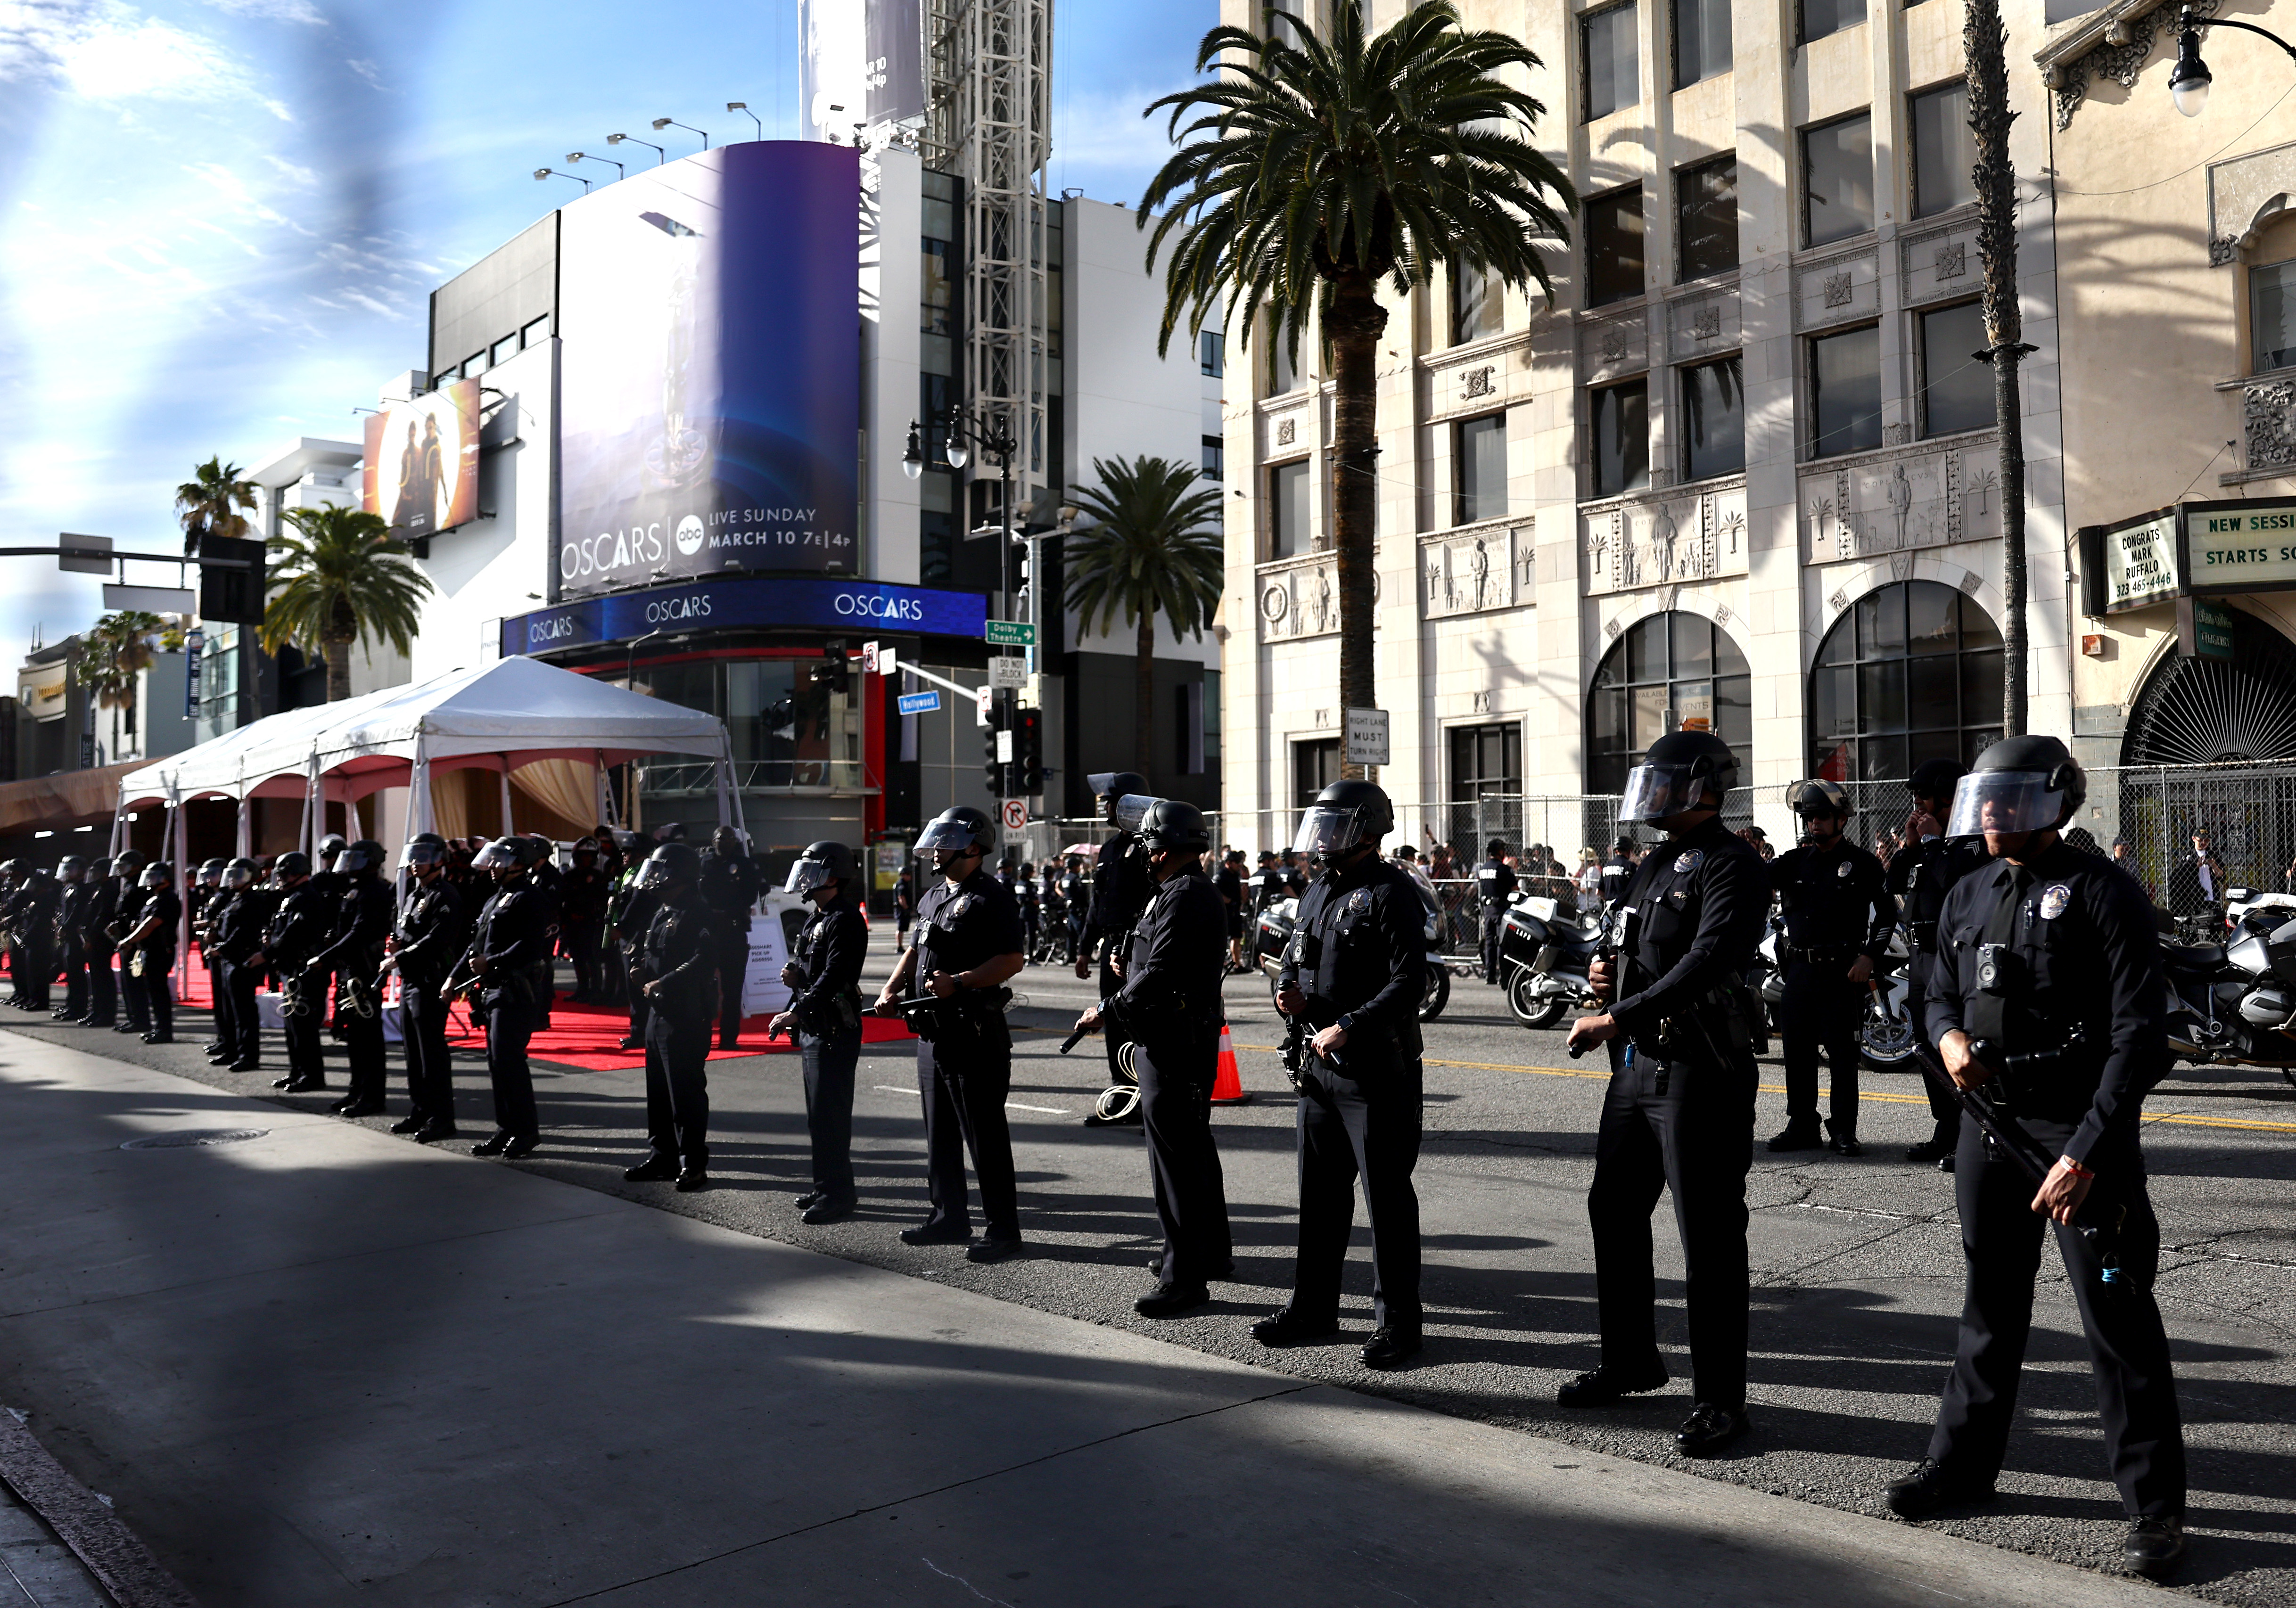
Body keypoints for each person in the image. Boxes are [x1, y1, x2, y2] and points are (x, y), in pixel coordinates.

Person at [1888, 735, 2189, 1583]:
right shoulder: (1965, 890)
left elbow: (2139, 1038)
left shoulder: (2104, 892)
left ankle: (2155, 1508)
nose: (1991, 811)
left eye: (2010, 797)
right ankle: (1961, 1465)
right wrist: (1944, 1035)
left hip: (2077, 1133)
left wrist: (2088, 1152)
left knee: (2117, 1318)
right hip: (1991, 1127)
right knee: (1989, 1305)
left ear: (2056, 800)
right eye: (1985, 797)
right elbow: (1934, 985)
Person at [1564, 729, 1767, 1457]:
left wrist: (1615, 1013)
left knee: (1708, 1235)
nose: (1649, 795)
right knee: (1612, 1208)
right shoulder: (1651, 862)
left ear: (1704, 786)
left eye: (1664, 781)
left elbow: (1710, 959)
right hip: (1637, 1066)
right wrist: (1605, 978)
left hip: (1700, 1070)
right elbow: (1632, 949)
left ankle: (1720, 1402)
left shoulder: (1731, 864)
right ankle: (1629, 1360)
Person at [1259, 779, 1429, 1370]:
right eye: (1320, 825)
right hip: (1318, 1068)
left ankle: (1399, 1327)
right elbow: (1295, 958)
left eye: (1336, 825)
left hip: (1374, 1071)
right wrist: (1287, 994)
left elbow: (1412, 982)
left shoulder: (1390, 891)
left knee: (1386, 1203)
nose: (1323, 837)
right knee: (1319, 1198)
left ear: (1366, 829)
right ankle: (1312, 1309)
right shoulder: (1316, 890)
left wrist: (1351, 1023)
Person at [1073, 799, 1234, 1317]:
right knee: (1192, 1153)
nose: (1141, 852)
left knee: (1175, 1164)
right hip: (1173, 1037)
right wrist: (1127, 967)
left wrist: (1106, 1007)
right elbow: (1157, 961)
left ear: (1161, 848)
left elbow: (1163, 971)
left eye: (1145, 844)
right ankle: (1207, 1254)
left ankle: (1182, 1278)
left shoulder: (1184, 895)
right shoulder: (1173, 892)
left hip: (1174, 1044)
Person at [873, 805, 1027, 1262]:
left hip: (972, 1034)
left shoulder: (991, 897)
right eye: (936, 843)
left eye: (945, 843)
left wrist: (959, 981)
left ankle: (1003, 1231)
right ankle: (948, 1217)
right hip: (932, 1035)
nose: (936, 851)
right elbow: (917, 947)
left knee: (984, 1137)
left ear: (974, 847)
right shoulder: (932, 896)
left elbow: (1011, 960)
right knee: (939, 1134)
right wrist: (890, 986)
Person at [1766, 779, 1897, 1158]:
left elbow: (1888, 912)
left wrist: (1870, 956)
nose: (1814, 823)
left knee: (1842, 1056)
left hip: (1842, 972)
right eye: (1808, 817)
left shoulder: (1862, 863)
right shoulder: (1792, 863)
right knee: (1797, 1052)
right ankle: (1801, 1124)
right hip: (1800, 971)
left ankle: (1843, 1130)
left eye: (1822, 816)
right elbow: (1751, 883)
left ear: (1841, 818)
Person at [1888, 758, 1992, 1170]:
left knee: (1958, 1045)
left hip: (1954, 958)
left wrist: (1933, 843)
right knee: (1927, 1048)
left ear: (1948, 797)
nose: (1917, 805)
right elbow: (1892, 883)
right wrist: (1911, 846)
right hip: (1920, 956)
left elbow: (1957, 884)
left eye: (1923, 797)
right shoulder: (1926, 841)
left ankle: (1974, 1133)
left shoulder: (1971, 841)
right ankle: (1945, 1130)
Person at [769, 841, 869, 1222]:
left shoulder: (844, 918)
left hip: (833, 1028)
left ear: (832, 875)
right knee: (818, 1115)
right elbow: (811, 972)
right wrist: (795, 981)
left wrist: (796, 1011)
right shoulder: (817, 916)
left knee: (831, 1115)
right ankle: (824, 1184)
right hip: (815, 1025)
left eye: (813, 870)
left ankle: (838, 1195)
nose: (805, 878)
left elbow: (836, 976)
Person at [622, 841, 720, 1191]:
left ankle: (693, 1165)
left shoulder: (698, 911)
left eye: (662, 872)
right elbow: (655, 952)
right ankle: (662, 1155)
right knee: (659, 1093)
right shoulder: (662, 911)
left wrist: (663, 982)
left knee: (686, 1095)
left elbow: (705, 959)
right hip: (658, 1014)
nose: (656, 880)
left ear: (679, 875)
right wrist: (641, 970)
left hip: (685, 1015)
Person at [456, 837, 551, 1158]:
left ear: (518, 863)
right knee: (497, 1063)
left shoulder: (530, 897)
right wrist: (454, 978)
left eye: (500, 861)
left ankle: (526, 1132)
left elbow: (531, 945)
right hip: (493, 990)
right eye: (492, 860)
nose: (493, 867)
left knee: (509, 1061)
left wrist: (492, 963)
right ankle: (506, 1128)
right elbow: (477, 945)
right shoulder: (496, 898)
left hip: (515, 990)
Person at [1076, 772, 1155, 1127]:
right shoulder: (1109, 849)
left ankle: (1149, 1101)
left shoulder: (1150, 844)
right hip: (1111, 945)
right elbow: (1099, 902)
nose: (1104, 807)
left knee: (1142, 1024)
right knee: (1114, 1024)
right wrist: (1084, 947)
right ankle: (1121, 1099)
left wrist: (1133, 945)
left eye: (1110, 800)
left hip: (1139, 946)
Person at [383, 835, 469, 1141]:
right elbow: (407, 931)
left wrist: (402, 955)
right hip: (411, 980)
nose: (415, 863)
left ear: (438, 861)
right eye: (413, 857)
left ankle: (442, 1119)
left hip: (430, 982)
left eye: (422, 857)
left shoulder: (446, 895)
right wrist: (397, 945)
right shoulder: (412, 894)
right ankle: (421, 1110)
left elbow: (438, 939)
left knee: (431, 1053)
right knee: (413, 1053)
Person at [306, 841, 393, 1118]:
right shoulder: (355, 890)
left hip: (365, 971)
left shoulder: (376, 891)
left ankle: (372, 1096)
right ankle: (358, 1090)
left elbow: (360, 932)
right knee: (355, 1036)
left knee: (368, 1038)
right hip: (350, 969)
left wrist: (326, 956)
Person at [260, 853, 332, 1092]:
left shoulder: (308, 897)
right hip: (291, 969)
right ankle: (297, 1071)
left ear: (299, 873)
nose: (281, 879)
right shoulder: (290, 898)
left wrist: (269, 952)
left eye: (285, 874)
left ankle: (312, 1076)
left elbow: (295, 932)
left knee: (305, 1026)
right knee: (293, 1026)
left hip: (306, 971)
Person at [697, 826, 759, 1050]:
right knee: (703, 986)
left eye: (731, 839)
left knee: (733, 990)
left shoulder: (744, 865)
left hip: (733, 930)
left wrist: (730, 912)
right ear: (713, 841)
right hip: (708, 932)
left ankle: (729, 1038)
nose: (726, 842)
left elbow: (751, 894)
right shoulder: (704, 863)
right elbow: (697, 894)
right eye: (722, 838)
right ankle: (702, 1035)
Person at [205, 858, 270, 1072]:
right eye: (231, 875)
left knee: (244, 1013)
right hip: (229, 960)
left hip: (242, 961)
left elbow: (244, 931)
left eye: (238, 875)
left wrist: (222, 947)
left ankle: (248, 1056)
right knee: (230, 1010)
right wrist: (215, 936)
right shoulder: (236, 898)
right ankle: (232, 1050)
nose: (232, 879)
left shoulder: (254, 900)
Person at [118, 861, 181, 1044]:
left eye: (154, 877)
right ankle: (159, 1028)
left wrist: (130, 939)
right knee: (153, 992)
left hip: (160, 950)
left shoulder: (168, 899)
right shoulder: (154, 898)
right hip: (150, 949)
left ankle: (165, 1031)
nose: (150, 881)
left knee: (159, 993)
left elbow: (151, 924)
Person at [559, 837, 609, 1005]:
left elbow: (602, 900)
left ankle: (595, 991)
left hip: (591, 924)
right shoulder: (569, 876)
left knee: (592, 958)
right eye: (583, 855)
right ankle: (582, 989)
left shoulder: (598, 877)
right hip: (573, 924)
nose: (587, 859)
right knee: (577, 958)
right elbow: (564, 900)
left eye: (590, 855)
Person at [81, 853, 126, 1031]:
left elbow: (103, 916)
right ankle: (97, 1010)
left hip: (102, 939)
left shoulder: (110, 889)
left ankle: (106, 1014)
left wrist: (91, 936)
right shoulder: (99, 888)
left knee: (103, 977)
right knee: (96, 977)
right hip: (94, 937)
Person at [52, 856, 94, 1024]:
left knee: (77, 973)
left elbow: (78, 912)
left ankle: (79, 1008)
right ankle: (71, 1005)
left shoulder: (83, 889)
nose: (68, 872)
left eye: (72, 869)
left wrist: (66, 926)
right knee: (70, 972)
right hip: (66, 935)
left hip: (76, 936)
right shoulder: (68, 888)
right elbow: (63, 909)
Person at [1472, 839, 1518, 986]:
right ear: (1499, 851)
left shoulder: (1484, 869)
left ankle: (1490, 974)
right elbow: (1515, 889)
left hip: (1487, 910)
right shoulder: (1504, 869)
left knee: (1490, 943)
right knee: (1502, 942)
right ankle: (1505, 977)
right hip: (1501, 909)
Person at [2164, 829, 2225, 921]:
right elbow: (2181, 876)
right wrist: (2196, 866)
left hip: (2212, 897)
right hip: (2195, 898)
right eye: (2200, 840)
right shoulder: (2187, 855)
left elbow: (2222, 876)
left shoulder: (2213, 854)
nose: (2204, 843)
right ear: (2194, 839)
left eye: (2207, 840)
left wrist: (2213, 865)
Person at [1217, 848, 1248, 972]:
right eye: (1236, 862)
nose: (1239, 865)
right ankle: (1221, 963)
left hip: (1235, 911)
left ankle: (1237, 964)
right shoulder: (1221, 875)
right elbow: (1215, 890)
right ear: (1229, 863)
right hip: (1225, 912)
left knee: (1237, 937)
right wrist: (1227, 900)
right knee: (1223, 938)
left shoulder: (1235, 875)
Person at [1598, 837, 1639, 910]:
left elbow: (1599, 892)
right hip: (1625, 907)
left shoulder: (1606, 867)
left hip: (1609, 908)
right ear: (1630, 850)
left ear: (1616, 851)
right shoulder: (1631, 866)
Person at [894, 867, 916, 952]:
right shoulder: (902, 885)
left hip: (901, 909)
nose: (910, 876)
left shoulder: (901, 884)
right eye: (908, 874)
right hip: (902, 910)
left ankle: (900, 946)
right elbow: (901, 897)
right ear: (903, 875)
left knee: (902, 928)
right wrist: (906, 908)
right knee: (900, 928)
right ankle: (899, 946)